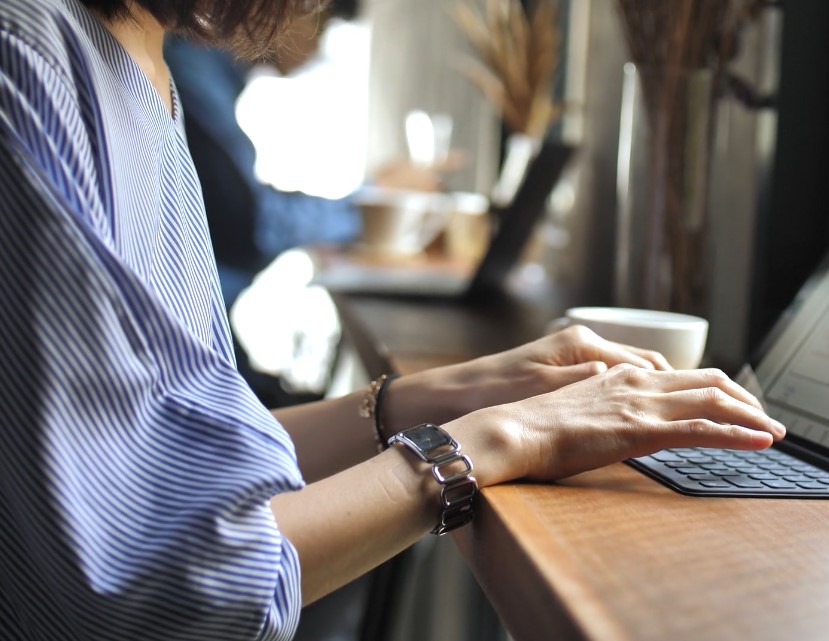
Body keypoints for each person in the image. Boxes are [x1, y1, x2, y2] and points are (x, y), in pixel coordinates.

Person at [0, 1, 786, 639]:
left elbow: (174, 455)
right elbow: (171, 583)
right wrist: (496, 439)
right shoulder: (29, 60)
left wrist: (426, 400)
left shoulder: (136, 62)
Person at [163, 2, 452, 408]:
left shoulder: (208, 73)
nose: (316, 42)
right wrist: (373, 202)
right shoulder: (187, 61)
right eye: (318, 18)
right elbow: (252, 225)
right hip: (190, 358)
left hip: (205, 343)